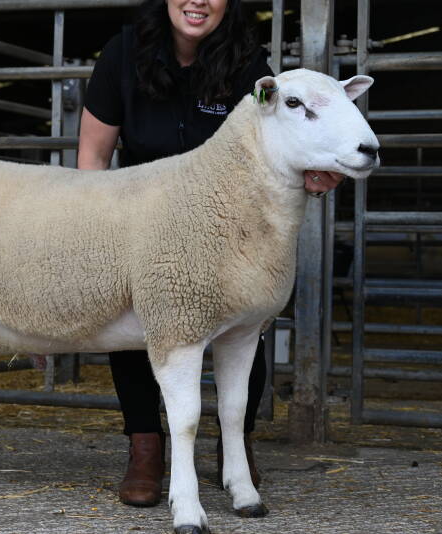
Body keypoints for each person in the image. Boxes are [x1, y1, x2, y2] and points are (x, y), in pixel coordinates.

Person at [77, 0, 343, 507]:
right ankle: (145, 446)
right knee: (133, 322)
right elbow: (93, 153)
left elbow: (287, 140)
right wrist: (93, 230)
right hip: (141, 216)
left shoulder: (248, 63)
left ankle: (234, 445)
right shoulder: (124, 53)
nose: (198, 0)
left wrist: (317, 172)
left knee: (246, 319)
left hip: (227, 223)